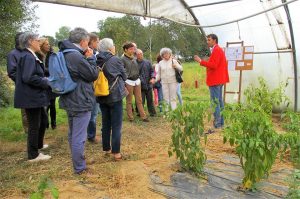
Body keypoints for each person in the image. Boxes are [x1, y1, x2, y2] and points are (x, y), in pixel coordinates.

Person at [58, 27, 99, 174]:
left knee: (73, 133)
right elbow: (93, 74)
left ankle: (78, 162)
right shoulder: (76, 56)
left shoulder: (64, 52)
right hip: (80, 99)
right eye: (87, 42)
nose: (88, 45)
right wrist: (91, 58)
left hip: (69, 98)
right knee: (79, 136)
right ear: (82, 41)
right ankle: (80, 168)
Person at [14, 32, 51, 162]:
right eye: (36, 40)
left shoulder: (29, 55)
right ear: (30, 41)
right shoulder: (28, 56)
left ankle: (37, 146)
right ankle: (33, 155)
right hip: (31, 97)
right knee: (34, 125)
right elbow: (28, 77)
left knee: (42, 120)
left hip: (34, 97)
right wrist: (45, 81)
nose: (38, 42)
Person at [96, 38, 127, 160]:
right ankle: (116, 152)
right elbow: (124, 76)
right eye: (113, 45)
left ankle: (106, 148)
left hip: (101, 95)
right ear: (110, 48)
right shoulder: (115, 59)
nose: (115, 47)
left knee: (105, 123)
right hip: (115, 96)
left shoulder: (96, 59)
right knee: (116, 125)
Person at [194, 33, 229, 130]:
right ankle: (221, 123)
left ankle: (217, 123)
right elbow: (215, 63)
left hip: (215, 80)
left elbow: (213, 65)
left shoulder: (217, 50)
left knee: (215, 102)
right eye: (207, 39)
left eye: (209, 40)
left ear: (214, 40)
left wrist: (200, 61)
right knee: (219, 101)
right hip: (219, 79)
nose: (207, 41)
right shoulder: (217, 50)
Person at [7, 32, 29, 134]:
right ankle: (28, 132)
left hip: (34, 86)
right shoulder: (13, 54)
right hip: (23, 87)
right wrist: (24, 81)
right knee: (25, 111)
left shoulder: (28, 52)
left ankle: (35, 135)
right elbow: (12, 72)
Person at [121, 42, 149, 122]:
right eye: (130, 49)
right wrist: (124, 81)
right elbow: (122, 71)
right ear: (125, 50)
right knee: (129, 100)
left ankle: (143, 116)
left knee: (139, 100)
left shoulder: (133, 57)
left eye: (133, 49)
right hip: (129, 81)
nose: (133, 50)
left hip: (137, 81)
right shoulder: (122, 59)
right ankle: (131, 117)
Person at [38, 37, 57, 130]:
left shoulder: (51, 55)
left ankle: (54, 123)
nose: (48, 45)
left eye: (49, 44)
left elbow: (54, 68)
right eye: (46, 44)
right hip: (42, 83)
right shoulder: (38, 55)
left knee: (52, 104)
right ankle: (45, 124)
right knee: (45, 105)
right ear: (41, 46)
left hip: (51, 82)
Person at [87, 33, 101, 143]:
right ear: (91, 42)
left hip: (95, 86)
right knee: (92, 113)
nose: (98, 43)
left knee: (93, 113)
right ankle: (91, 135)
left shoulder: (96, 53)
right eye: (97, 41)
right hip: (90, 87)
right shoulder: (88, 54)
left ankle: (90, 134)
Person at [136, 49, 156, 116]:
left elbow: (152, 71)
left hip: (148, 84)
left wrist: (153, 78)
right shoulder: (134, 63)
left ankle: (152, 113)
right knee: (140, 100)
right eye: (138, 54)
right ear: (136, 55)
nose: (140, 55)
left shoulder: (148, 62)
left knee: (150, 100)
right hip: (140, 85)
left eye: (141, 54)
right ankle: (139, 113)